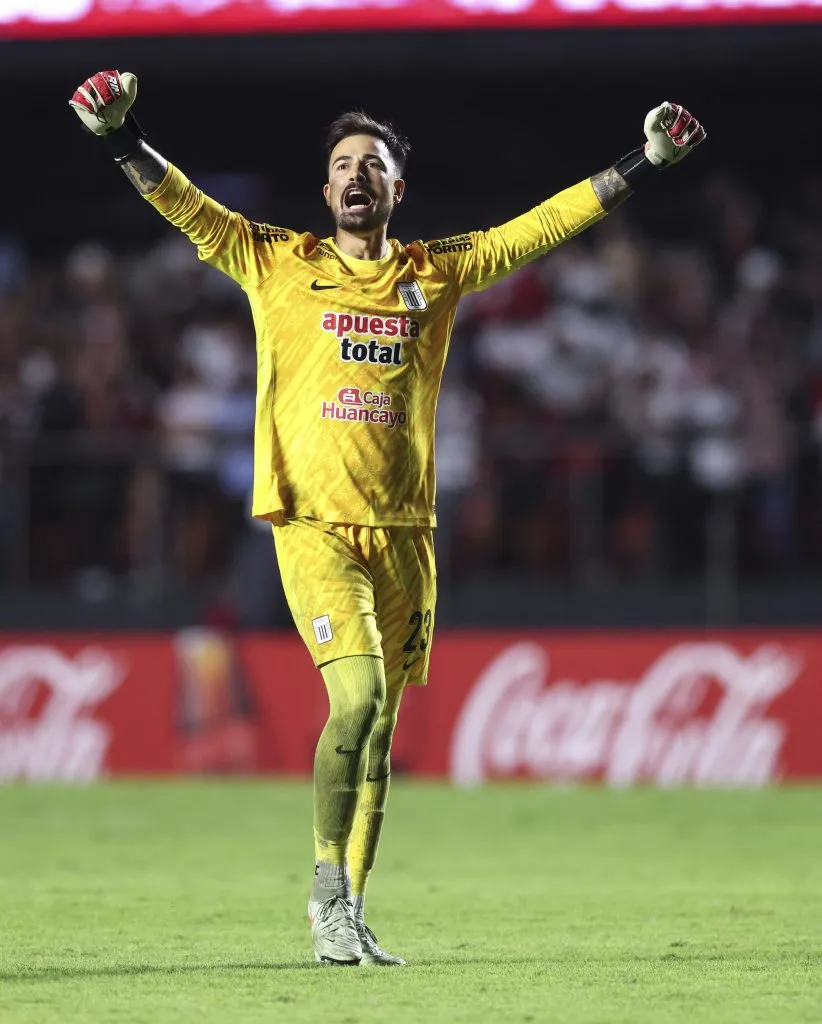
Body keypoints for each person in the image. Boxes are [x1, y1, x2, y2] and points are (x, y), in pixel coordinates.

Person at [69, 70, 705, 966]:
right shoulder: (278, 262)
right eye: (342, 165)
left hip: (407, 538)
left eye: (372, 163)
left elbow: (542, 227)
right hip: (313, 528)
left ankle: (354, 913)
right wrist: (119, 137)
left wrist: (647, 160)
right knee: (357, 699)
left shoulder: (432, 274)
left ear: (396, 190)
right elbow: (188, 208)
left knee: (381, 734)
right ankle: (325, 896)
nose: (356, 174)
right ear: (327, 191)